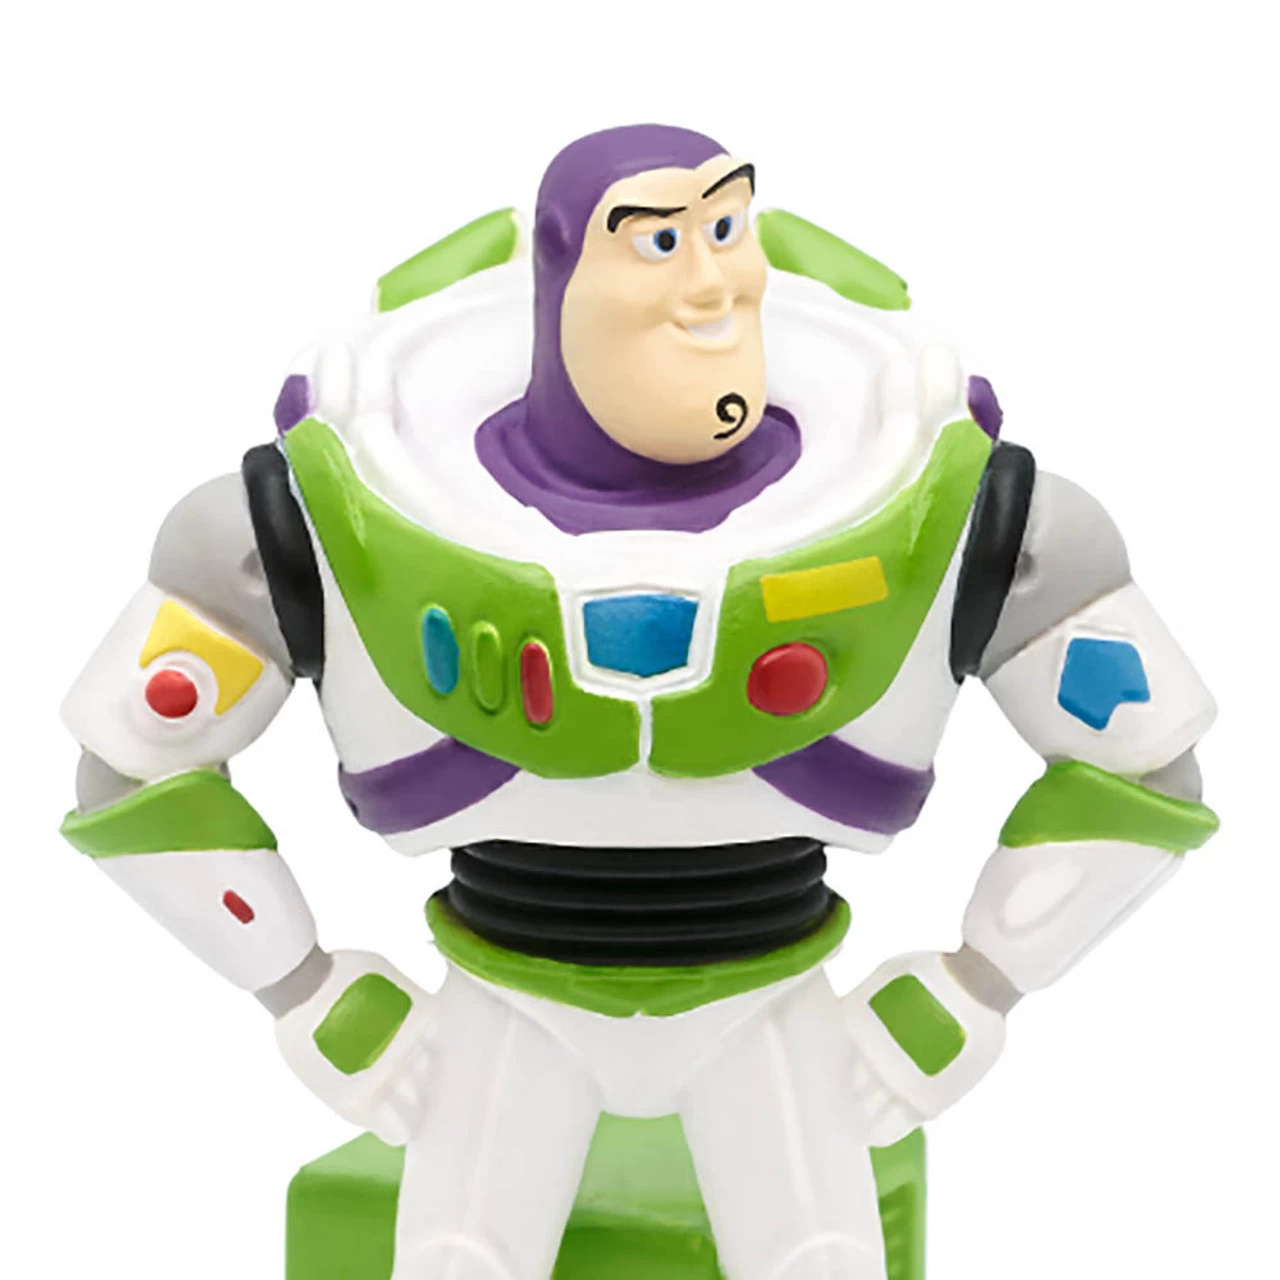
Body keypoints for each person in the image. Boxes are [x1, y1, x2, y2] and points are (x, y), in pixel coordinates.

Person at [60, 124, 1217, 1280]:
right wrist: (309, 991)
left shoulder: (963, 505)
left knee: (815, 1258)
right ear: (561, 265)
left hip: (768, 1002)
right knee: (461, 1258)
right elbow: (132, 767)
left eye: (726, 226)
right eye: (659, 241)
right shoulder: (311, 512)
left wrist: (970, 989)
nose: (709, 282)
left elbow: (1143, 767)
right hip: (506, 1003)